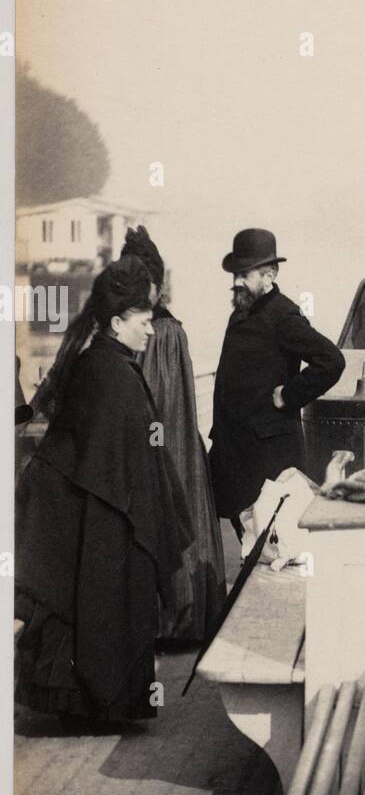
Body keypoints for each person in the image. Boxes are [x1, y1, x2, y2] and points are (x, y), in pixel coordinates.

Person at [15, 258, 192, 727]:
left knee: (94, 611)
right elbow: (112, 461)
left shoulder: (107, 364)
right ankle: (94, 706)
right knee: (100, 609)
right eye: (143, 321)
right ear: (117, 322)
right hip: (103, 520)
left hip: (102, 516)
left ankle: (91, 705)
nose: (151, 332)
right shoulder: (109, 372)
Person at [119, 226, 226, 642]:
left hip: (162, 445)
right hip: (177, 444)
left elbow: (155, 399)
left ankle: (169, 620)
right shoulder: (169, 330)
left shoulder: (158, 333)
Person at [208, 228, 345, 534]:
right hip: (237, 454)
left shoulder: (283, 315)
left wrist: (289, 395)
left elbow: (332, 360)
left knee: (272, 546)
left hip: (268, 461)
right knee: (250, 542)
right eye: (234, 274)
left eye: (245, 274)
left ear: (269, 275)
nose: (237, 282)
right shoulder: (242, 313)